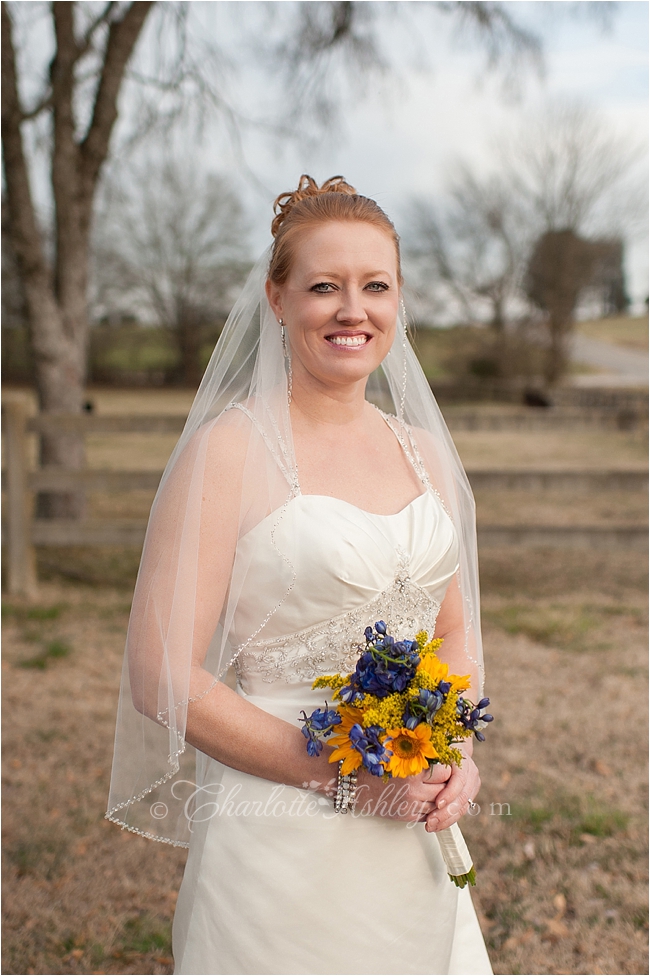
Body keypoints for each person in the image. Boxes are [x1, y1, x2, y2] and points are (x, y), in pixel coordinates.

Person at [107, 175, 493, 975]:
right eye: (325, 286)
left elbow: (451, 629)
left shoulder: (426, 453)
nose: (354, 310)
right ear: (277, 300)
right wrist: (348, 783)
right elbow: (161, 675)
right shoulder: (228, 454)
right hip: (277, 830)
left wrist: (446, 750)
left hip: (411, 828)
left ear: (399, 302)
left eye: (375, 286)